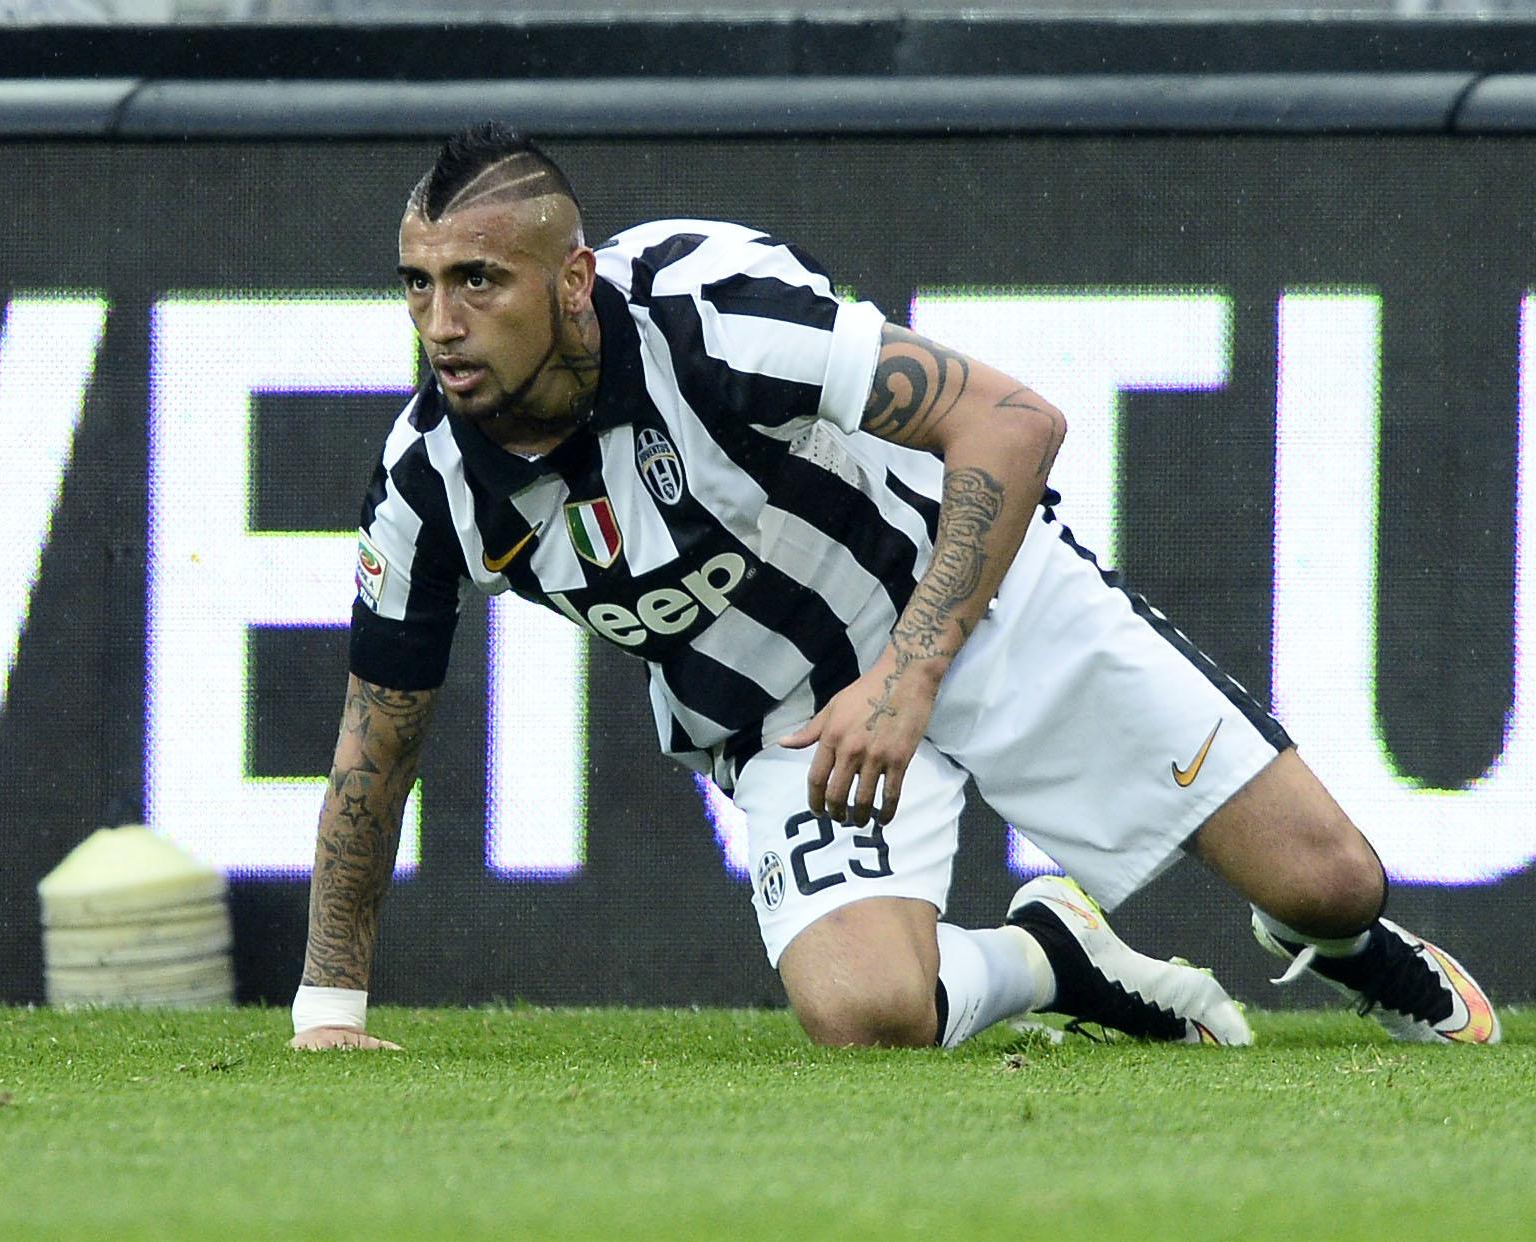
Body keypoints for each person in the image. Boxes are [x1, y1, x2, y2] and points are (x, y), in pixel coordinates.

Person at [289, 122, 1501, 1051]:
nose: (439, 323)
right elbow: (375, 740)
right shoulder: (425, 481)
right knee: (863, 1014)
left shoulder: (712, 316)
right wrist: (327, 1005)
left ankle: (1341, 944)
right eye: (416, 283)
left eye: (477, 281)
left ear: (569, 280)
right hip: (788, 718)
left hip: (973, 607)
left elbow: (1014, 423)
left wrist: (908, 674)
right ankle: (1050, 958)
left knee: (1331, 878)